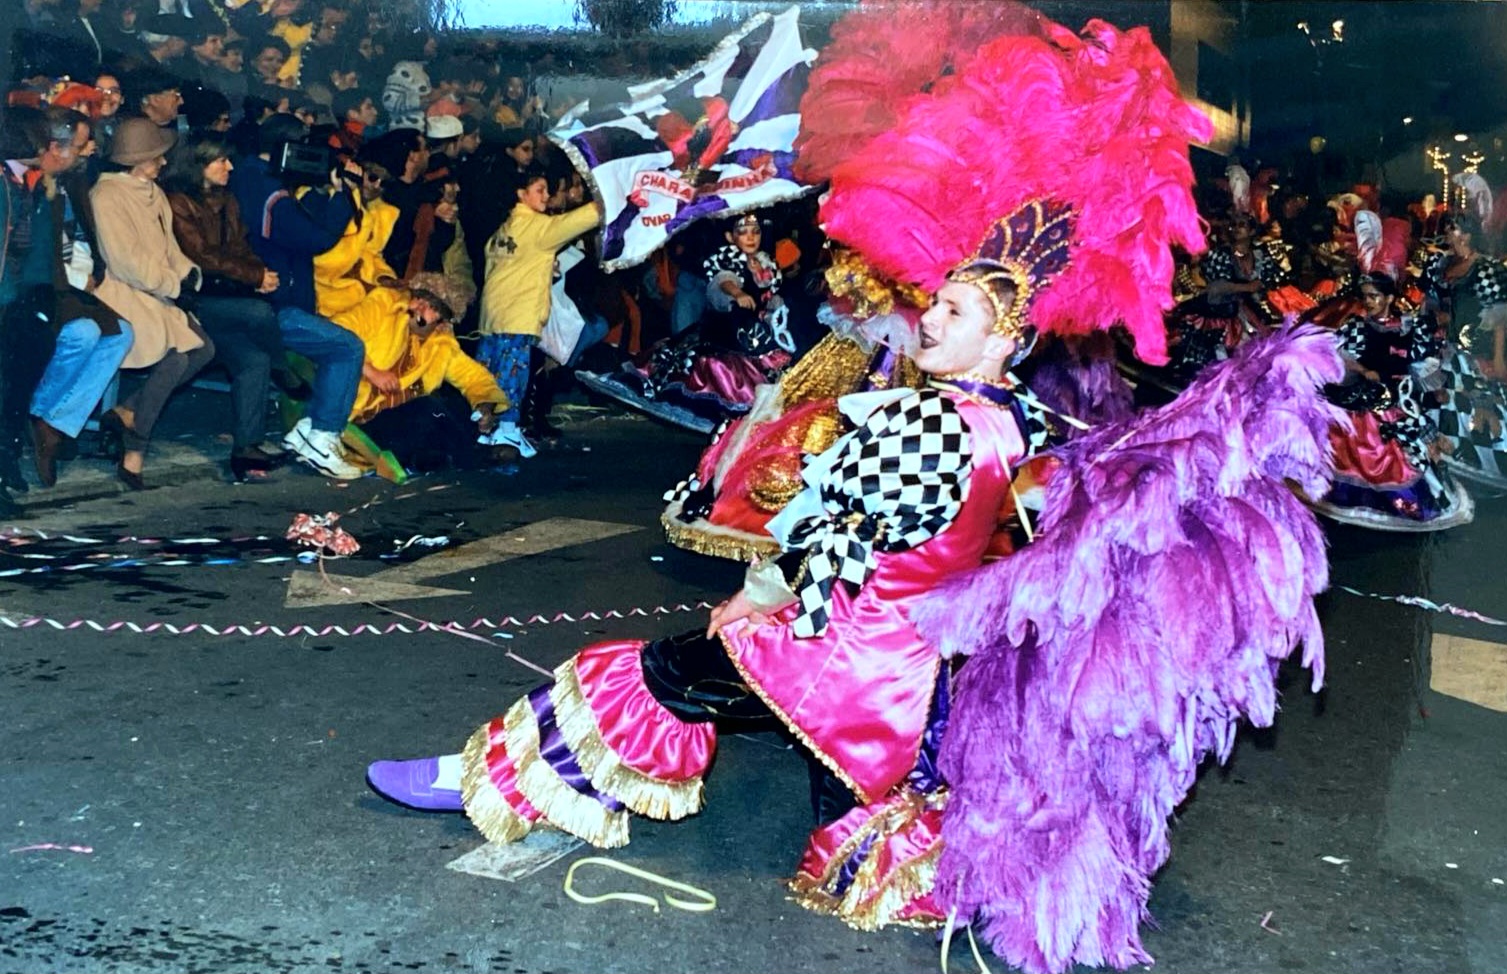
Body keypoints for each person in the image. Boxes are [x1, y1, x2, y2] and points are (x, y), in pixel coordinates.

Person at [1, 106, 134, 502]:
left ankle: (9, 458)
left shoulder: (33, 184)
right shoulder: (14, 184)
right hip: (11, 300)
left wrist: (36, 304)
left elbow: (39, 256)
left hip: (25, 300)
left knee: (18, 385)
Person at [228, 113, 365, 480]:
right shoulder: (270, 191)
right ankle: (322, 434)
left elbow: (299, 228)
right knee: (347, 348)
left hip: (264, 298)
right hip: (274, 306)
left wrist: (322, 195)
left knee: (338, 346)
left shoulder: (254, 177)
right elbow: (316, 240)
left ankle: (311, 432)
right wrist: (344, 196)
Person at [89, 117, 215, 490]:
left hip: (158, 292)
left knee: (204, 349)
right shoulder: (107, 196)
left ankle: (127, 410)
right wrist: (171, 284)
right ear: (138, 160)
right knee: (174, 356)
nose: (162, 163)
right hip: (123, 293)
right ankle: (135, 450)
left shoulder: (153, 192)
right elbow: (125, 261)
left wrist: (188, 274)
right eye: (156, 156)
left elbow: (170, 248)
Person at [164, 134, 287, 482]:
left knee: (253, 359)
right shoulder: (178, 202)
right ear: (199, 163)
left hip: (225, 296)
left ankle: (245, 449)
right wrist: (253, 276)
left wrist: (262, 274)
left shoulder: (226, 200)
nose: (229, 167)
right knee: (260, 315)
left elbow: (240, 245)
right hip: (192, 297)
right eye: (220, 160)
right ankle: (285, 371)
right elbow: (199, 255)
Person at [1316, 272, 1474, 530]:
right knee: (1370, 455)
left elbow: (1421, 365)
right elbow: (1336, 357)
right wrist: (1362, 370)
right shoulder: (1357, 327)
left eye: (1374, 296)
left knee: (1415, 457)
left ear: (1389, 298)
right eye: (1365, 296)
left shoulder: (1410, 327)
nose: (1368, 302)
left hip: (1400, 402)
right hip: (1368, 407)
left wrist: (1435, 393)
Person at [475, 166, 600, 458]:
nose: (546, 196)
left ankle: (488, 429)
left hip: (492, 315)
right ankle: (507, 430)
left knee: (488, 373)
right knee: (513, 373)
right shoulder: (538, 227)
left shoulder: (501, 232)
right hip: (518, 314)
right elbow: (580, 219)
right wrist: (606, 200)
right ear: (521, 194)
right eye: (540, 190)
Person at [333, 273, 510, 476]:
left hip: (402, 423)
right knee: (428, 408)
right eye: (419, 298)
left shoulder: (440, 344)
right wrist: (370, 371)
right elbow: (336, 332)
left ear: (441, 321)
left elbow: (472, 376)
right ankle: (468, 457)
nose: (420, 307)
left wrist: (485, 405)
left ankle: (431, 458)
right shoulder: (383, 306)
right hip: (359, 418)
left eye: (432, 307)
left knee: (454, 407)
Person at [1421, 211, 1507, 489]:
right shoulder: (1440, 263)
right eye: (1447, 228)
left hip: (1473, 351)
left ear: (1468, 234)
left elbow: (1499, 317)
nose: (1448, 234)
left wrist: (1498, 358)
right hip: (1440, 348)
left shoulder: (1487, 269)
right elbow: (1429, 303)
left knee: (1475, 404)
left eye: (1453, 229)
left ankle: (1483, 463)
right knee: (1441, 401)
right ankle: (1448, 458)